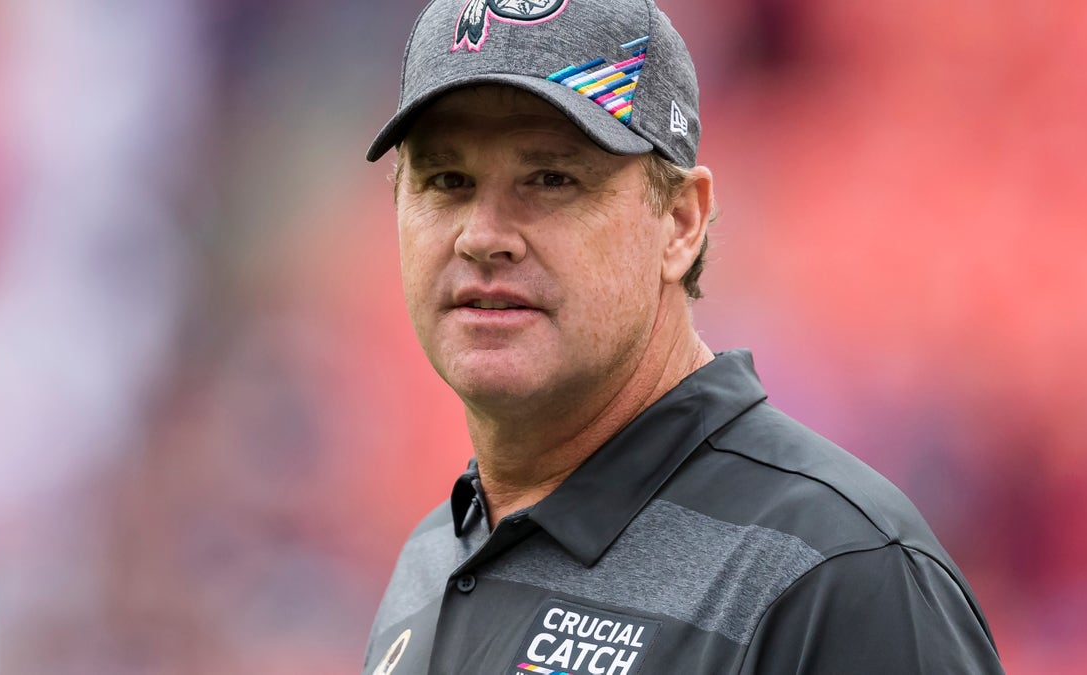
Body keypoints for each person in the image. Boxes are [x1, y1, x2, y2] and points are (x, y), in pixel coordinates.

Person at [361, 0, 1005, 672]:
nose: (483, 235)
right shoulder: (431, 558)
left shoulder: (837, 572)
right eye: (447, 181)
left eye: (551, 178)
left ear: (680, 222)